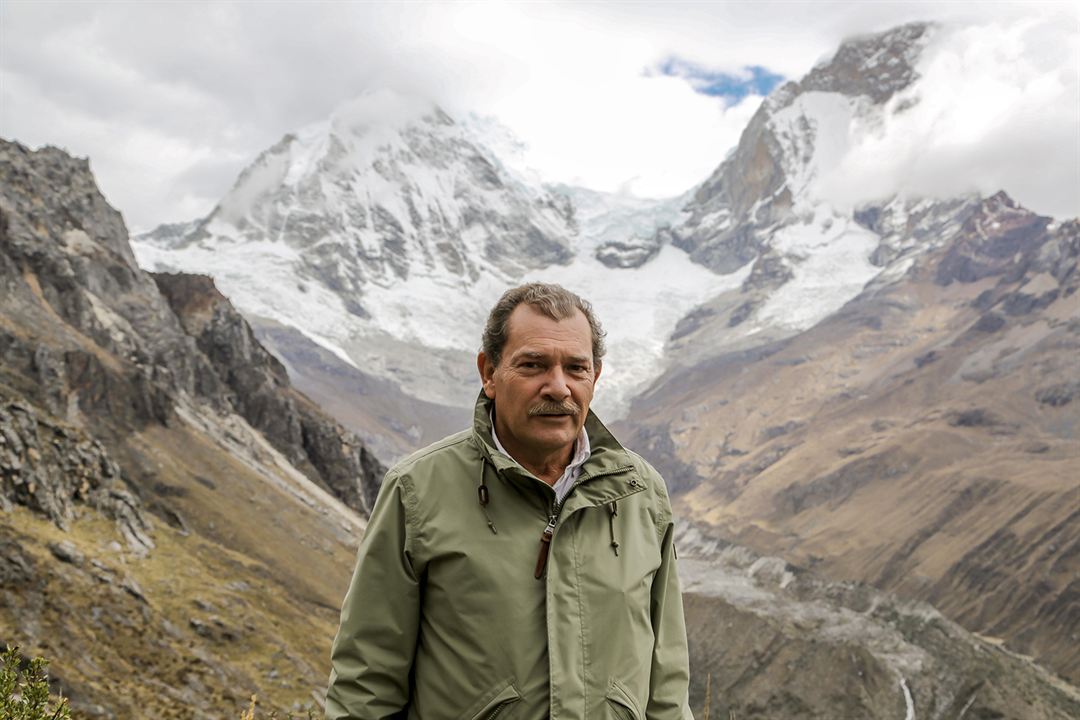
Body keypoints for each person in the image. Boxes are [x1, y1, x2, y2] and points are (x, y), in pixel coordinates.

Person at [325, 282, 693, 720]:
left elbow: (666, 682)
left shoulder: (640, 492)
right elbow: (367, 682)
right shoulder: (417, 489)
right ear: (489, 372)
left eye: (576, 368)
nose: (558, 387)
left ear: (595, 377)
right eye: (533, 365)